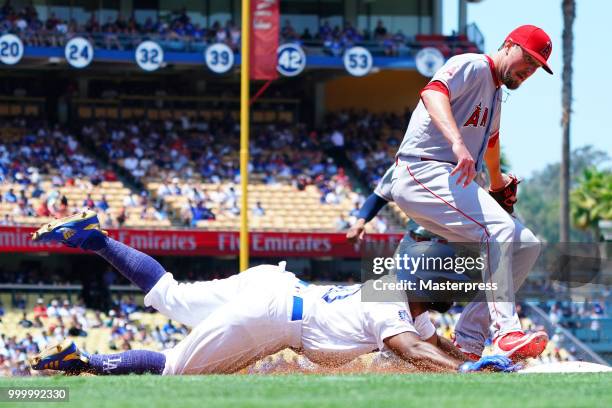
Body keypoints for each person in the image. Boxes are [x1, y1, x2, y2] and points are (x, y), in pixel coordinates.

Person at [29, 211, 518, 375]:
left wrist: (476, 359)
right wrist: (471, 370)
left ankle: (96, 239)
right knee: (174, 370)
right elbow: (412, 348)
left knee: (173, 296)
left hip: (275, 284)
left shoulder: (403, 301)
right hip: (274, 316)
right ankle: (85, 362)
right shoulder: (394, 308)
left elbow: (434, 344)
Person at [385, 25, 553, 360]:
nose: (529, 70)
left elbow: (491, 142)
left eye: (536, 67)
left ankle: (469, 341)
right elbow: (433, 93)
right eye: (528, 59)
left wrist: (496, 183)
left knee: (525, 244)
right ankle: (507, 333)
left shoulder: (495, 92)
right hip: (422, 169)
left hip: (448, 177)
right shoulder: (473, 65)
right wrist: (457, 142)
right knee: (500, 229)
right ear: (508, 45)